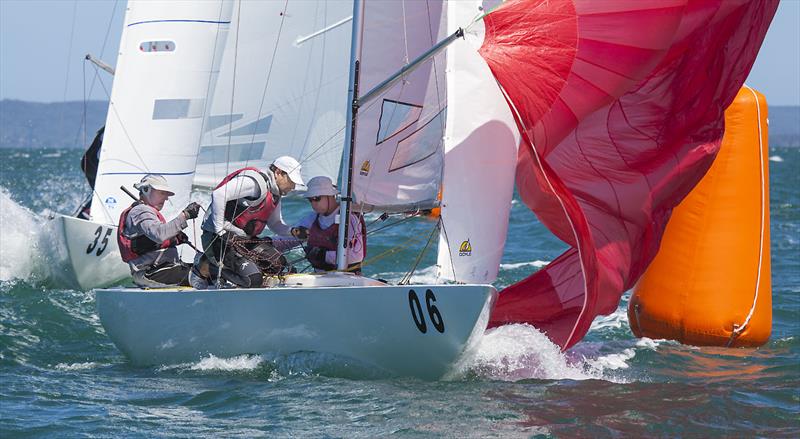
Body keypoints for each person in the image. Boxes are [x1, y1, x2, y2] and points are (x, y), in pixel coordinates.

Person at [190, 156, 306, 288]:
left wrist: (293, 231)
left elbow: (275, 224)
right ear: (278, 173)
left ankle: (241, 272)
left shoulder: (275, 194)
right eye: (291, 181)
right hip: (218, 239)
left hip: (241, 240)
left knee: (279, 264)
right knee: (253, 280)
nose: (293, 186)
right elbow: (219, 194)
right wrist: (220, 231)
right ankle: (206, 266)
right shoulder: (255, 183)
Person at [117, 174, 202, 288]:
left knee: (208, 269)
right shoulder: (141, 211)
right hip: (152, 273)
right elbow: (159, 234)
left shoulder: (145, 212)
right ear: (146, 190)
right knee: (205, 274)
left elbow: (155, 236)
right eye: (162, 193)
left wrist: (174, 237)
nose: (166, 198)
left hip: (164, 270)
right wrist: (185, 215)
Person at [296, 176, 365, 273]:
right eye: (310, 200)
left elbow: (357, 256)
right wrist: (270, 242)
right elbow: (292, 235)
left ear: (330, 196)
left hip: (347, 278)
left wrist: (324, 255)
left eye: (317, 198)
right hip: (320, 277)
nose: (313, 203)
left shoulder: (349, 218)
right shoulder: (313, 218)